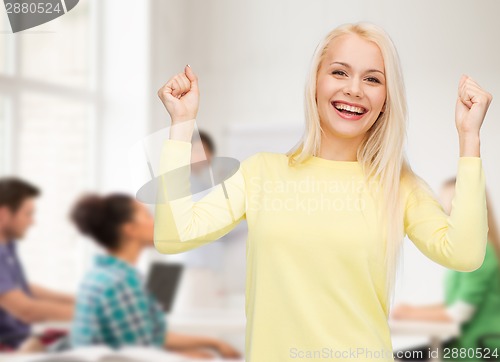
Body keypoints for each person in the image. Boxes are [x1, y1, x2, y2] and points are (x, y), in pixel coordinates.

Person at [154, 22, 493, 361]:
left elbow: (464, 254)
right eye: (339, 72)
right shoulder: (261, 172)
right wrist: (182, 124)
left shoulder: (399, 185)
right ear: (316, 81)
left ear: (386, 100)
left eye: (373, 79)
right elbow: (173, 236)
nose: (355, 89)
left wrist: (469, 138)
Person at [69, 193, 242, 359]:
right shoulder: (120, 283)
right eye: (147, 216)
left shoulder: (103, 275)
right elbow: (137, 354)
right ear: (130, 230)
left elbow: (151, 337)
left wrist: (212, 342)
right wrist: (185, 356)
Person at [391, 178, 500, 361]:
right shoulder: (466, 252)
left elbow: (458, 314)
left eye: (449, 205)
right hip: (461, 345)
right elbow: (456, 302)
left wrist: (412, 313)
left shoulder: (481, 254)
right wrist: (414, 310)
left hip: (478, 349)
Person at [0, 177, 74, 351]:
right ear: (3, 214)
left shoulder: (7, 246)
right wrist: (92, 313)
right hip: (9, 347)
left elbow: (21, 288)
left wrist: (79, 299)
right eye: (28, 214)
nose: (32, 221)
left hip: (23, 339)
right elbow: (26, 310)